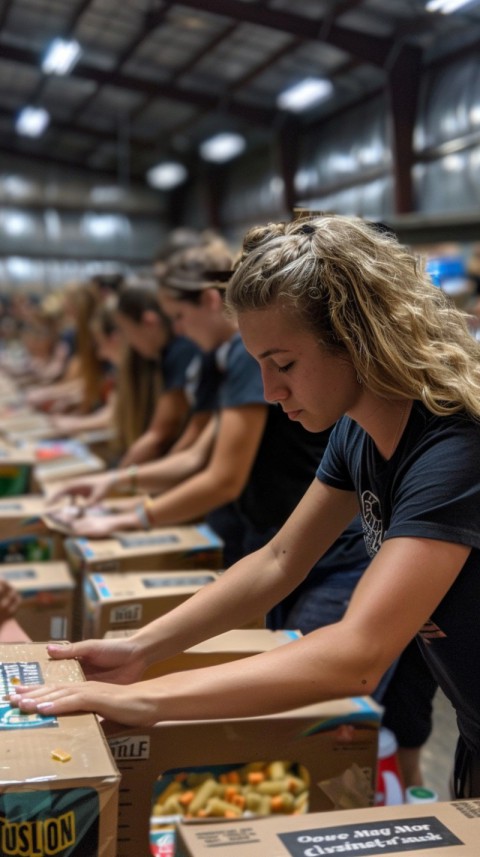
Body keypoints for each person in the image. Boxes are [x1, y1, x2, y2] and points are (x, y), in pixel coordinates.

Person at [10, 215, 480, 800]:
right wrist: (140, 649)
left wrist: (145, 701)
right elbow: (278, 560)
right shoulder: (357, 433)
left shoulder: (454, 448)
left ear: (357, 338)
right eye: (259, 363)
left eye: (284, 364)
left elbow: (358, 654)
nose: (269, 390)